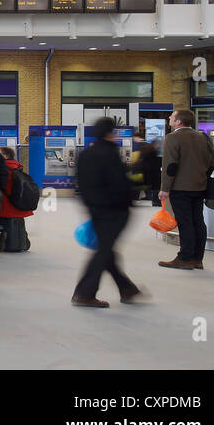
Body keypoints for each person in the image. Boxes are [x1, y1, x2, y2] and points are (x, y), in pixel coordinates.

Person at [72, 118, 145, 307]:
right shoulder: (110, 153)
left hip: (95, 209)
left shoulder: (86, 154)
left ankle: (127, 288)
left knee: (106, 248)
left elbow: (80, 183)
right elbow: (118, 183)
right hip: (114, 210)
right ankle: (84, 293)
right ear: (110, 133)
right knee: (104, 251)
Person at [159, 108, 214, 270]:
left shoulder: (173, 138)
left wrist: (165, 188)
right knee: (198, 221)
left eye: (172, 116)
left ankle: (184, 257)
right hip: (199, 186)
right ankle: (197, 258)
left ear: (178, 121)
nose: (169, 117)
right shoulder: (203, 137)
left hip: (180, 187)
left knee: (185, 222)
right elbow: (211, 162)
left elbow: (170, 165)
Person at [0, 146, 35, 252]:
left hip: (5, 208)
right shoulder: (18, 168)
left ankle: (0, 243)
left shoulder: (2, 169)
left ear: (5, 156)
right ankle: (21, 242)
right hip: (19, 207)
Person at [132, 138, 162, 205]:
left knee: (140, 185)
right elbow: (154, 162)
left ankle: (135, 198)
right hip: (152, 172)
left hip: (144, 171)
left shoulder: (146, 151)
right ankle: (155, 201)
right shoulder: (153, 151)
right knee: (155, 187)